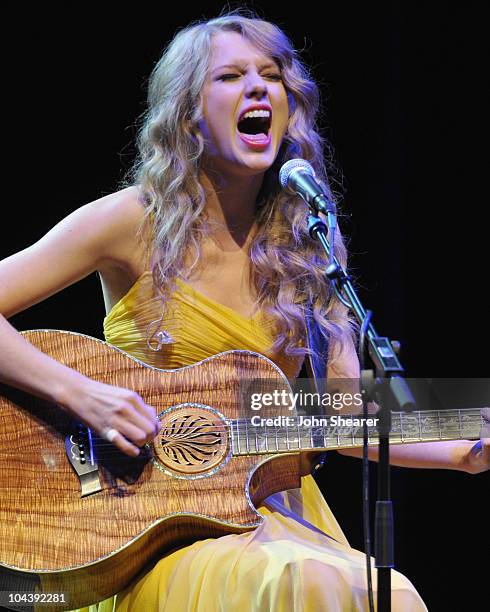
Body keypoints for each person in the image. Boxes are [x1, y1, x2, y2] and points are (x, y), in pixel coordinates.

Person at [0, 12, 488, 612]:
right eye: (230, 76)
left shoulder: (307, 246)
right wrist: (83, 395)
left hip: (268, 512)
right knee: (293, 582)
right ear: (186, 114)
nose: (258, 88)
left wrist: (468, 448)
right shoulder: (131, 221)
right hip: (152, 525)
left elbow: (345, 414)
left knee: (391, 594)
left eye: (272, 75)